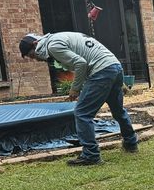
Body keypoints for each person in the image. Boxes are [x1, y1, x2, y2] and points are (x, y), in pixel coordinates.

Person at [19, 32, 138, 166]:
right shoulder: (59, 37)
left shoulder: (53, 46)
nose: (35, 59)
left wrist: (75, 88)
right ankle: (131, 143)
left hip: (102, 71)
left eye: (32, 55)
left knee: (82, 114)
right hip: (114, 66)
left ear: (35, 44)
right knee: (118, 110)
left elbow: (81, 63)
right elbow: (86, 60)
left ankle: (91, 155)